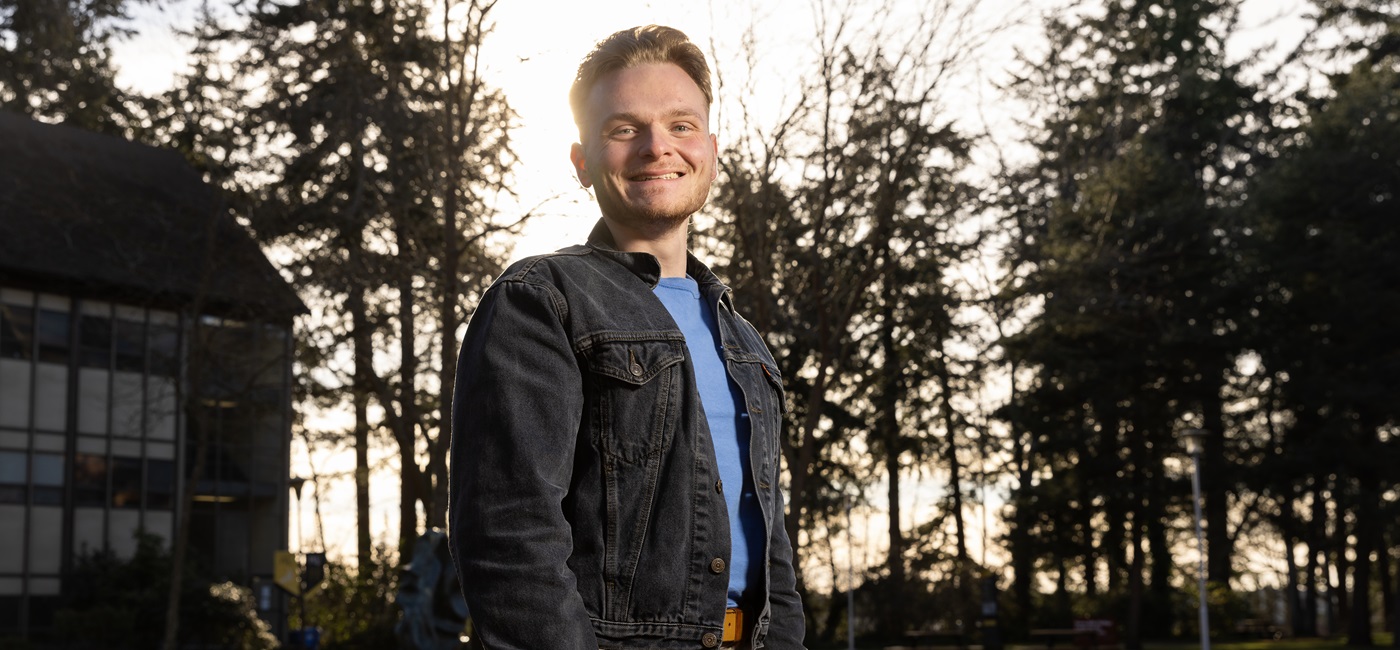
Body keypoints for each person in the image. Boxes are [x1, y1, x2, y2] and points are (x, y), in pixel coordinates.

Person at [448, 24, 807, 650]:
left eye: (681, 125)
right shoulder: (541, 300)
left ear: (711, 151)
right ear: (583, 163)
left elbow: (772, 549)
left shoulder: (745, 343)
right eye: (623, 129)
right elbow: (511, 537)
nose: (655, 147)